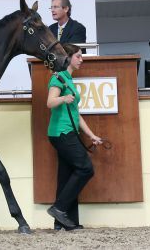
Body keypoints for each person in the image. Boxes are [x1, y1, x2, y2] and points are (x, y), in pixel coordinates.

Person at [46, 43, 102, 231]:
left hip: (69, 131)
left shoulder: (68, 80)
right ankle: (59, 209)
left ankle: (62, 223)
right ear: (68, 57)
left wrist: (92, 135)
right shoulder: (59, 79)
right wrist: (62, 98)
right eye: (78, 56)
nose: (81, 59)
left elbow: (76, 115)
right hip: (61, 133)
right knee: (86, 169)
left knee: (67, 175)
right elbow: (50, 102)